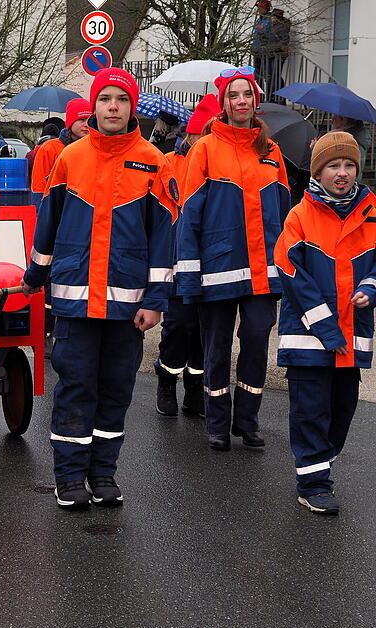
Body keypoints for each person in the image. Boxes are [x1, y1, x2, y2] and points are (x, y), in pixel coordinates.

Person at [21, 68, 176, 509]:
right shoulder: (70, 158)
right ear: (93, 106)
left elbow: (164, 239)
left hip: (127, 307)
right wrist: (34, 278)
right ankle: (69, 478)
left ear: (132, 108)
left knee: (115, 391)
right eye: (105, 98)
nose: (113, 106)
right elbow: (47, 226)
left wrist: (156, 301)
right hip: (73, 303)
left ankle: (103, 473)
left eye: (121, 100)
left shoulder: (153, 161)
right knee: (74, 389)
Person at [176, 66, 290, 451]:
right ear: (223, 103)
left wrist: (288, 268)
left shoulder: (272, 152)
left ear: (254, 100)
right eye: (233, 95)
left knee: (257, 340)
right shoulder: (205, 148)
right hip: (218, 269)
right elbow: (189, 215)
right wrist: (189, 277)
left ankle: (248, 420)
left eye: (246, 94)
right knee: (217, 347)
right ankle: (217, 421)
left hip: (264, 272)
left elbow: (287, 217)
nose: (240, 101)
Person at [275, 132, 376, 514]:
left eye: (349, 165)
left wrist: (371, 287)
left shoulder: (371, 209)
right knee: (310, 411)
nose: (342, 173)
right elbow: (291, 273)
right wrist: (328, 330)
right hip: (309, 337)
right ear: (319, 171)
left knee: (342, 410)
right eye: (333, 165)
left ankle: (318, 461)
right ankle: (313, 483)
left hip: (353, 338)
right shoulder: (300, 214)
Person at [153, 93, 221, 418]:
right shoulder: (171, 163)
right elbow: (162, 209)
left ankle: (195, 385)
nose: (205, 141)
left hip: (214, 263)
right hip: (178, 261)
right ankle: (166, 378)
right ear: (191, 134)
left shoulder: (223, 166)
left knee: (204, 330)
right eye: (201, 134)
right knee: (178, 326)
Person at [30, 98, 91, 199]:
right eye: (81, 120)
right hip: (57, 207)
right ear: (70, 122)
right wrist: (40, 212)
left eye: (89, 120)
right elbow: (38, 185)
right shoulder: (49, 148)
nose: (86, 125)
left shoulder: (96, 148)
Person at [252, 0, 274, 90]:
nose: (259, 10)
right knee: (257, 75)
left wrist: (262, 31)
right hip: (256, 50)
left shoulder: (270, 19)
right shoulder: (259, 19)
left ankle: (268, 95)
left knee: (266, 75)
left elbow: (270, 35)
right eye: (258, 8)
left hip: (265, 51)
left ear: (266, 8)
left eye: (260, 8)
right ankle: (259, 94)